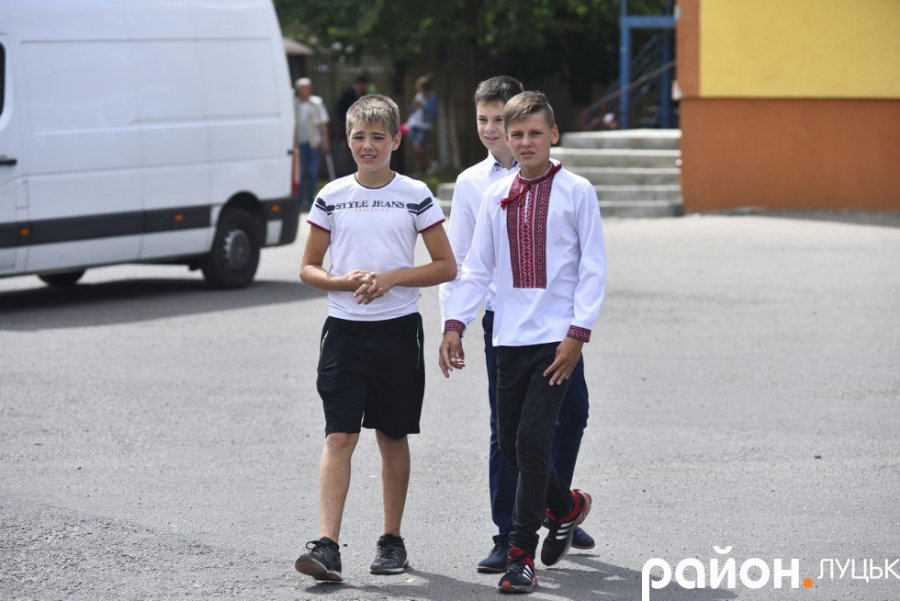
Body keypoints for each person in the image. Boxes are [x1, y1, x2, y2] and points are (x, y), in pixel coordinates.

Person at [439, 91, 606, 594]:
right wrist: (455, 323)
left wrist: (577, 334)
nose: (526, 141)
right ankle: (567, 506)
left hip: (557, 341)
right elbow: (478, 267)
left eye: (535, 132)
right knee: (512, 445)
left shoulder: (577, 191)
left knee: (533, 442)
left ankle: (520, 554)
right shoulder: (495, 195)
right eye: (517, 134)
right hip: (508, 337)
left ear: (553, 134)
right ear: (507, 141)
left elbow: (593, 268)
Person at [295, 94, 456, 583]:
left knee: (391, 435)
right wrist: (342, 282)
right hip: (344, 332)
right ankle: (327, 545)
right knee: (339, 435)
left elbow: (446, 266)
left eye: (378, 137)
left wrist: (392, 279)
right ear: (347, 139)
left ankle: (391, 540)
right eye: (359, 137)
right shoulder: (331, 195)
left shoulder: (416, 194)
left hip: (398, 333)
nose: (368, 146)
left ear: (395, 141)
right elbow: (308, 268)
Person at [293, 77, 330, 210]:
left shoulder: (317, 102)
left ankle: (311, 200)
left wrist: (326, 143)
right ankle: (299, 200)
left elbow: (323, 124)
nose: (304, 90)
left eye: (306, 88)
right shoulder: (294, 103)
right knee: (300, 173)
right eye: (302, 88)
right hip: (299, 143)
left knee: (313, 172)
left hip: (314, 142)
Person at [334, 73, 372, 176]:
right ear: (361, 83)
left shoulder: (363, 95)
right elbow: (341, 111)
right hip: (349, 127)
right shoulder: (348, 94)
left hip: (361, 127)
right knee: (349, 152)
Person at [406, 74, 439, 174]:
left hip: (423, 126)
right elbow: (411, 110)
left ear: (424, 86)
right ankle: (418, 172)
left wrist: (422, 104)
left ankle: (431, 163)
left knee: (418, 148)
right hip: (413, 124)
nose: (416, 87)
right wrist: (413, 106)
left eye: (418, 85)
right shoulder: (418, 95)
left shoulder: (432, 96)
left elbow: (433, 111)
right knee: (416, 150)